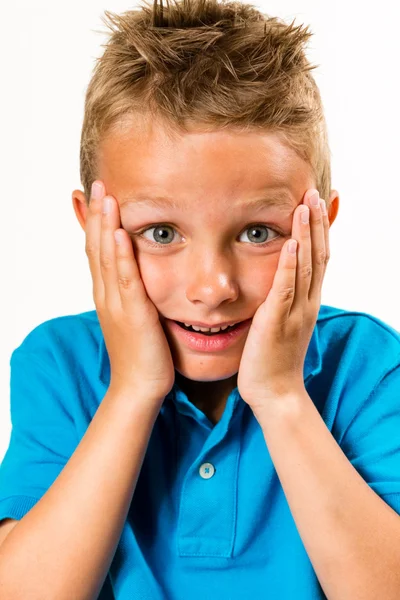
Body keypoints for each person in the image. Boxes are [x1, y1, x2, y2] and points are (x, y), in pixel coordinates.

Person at [0, 0, 399, 598]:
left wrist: (281, 394)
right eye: (161, 233)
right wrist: (133, 389)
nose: (212, 288)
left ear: (319, 226)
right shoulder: (60, 365)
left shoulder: (367, 367)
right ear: (91, 228)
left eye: (258, 233)